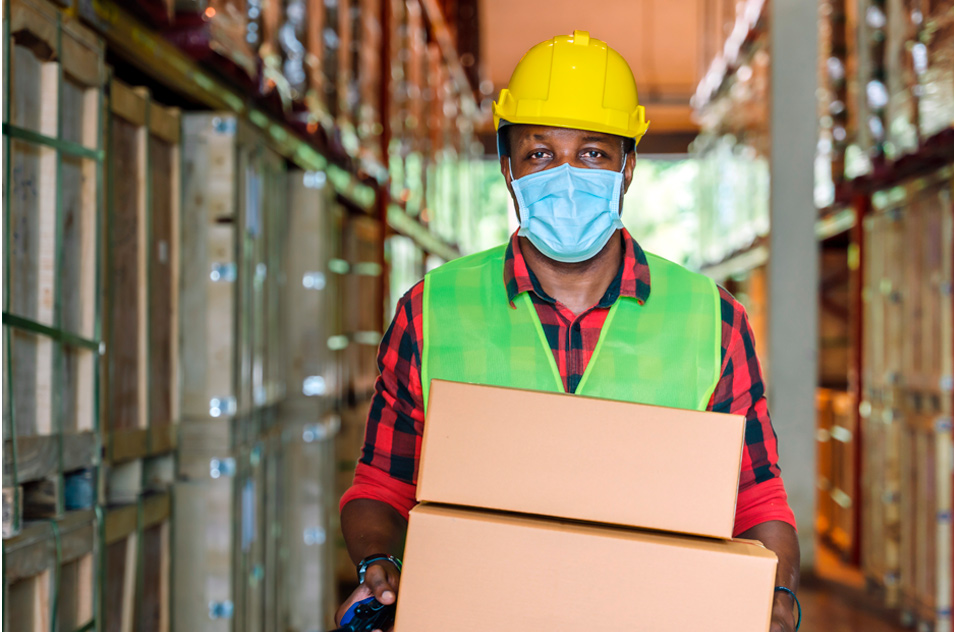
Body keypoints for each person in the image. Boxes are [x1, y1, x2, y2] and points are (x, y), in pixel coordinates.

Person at [336, 30, 800, 632]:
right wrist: (378, 560)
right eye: (540, 154)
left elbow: (758, 499)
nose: (567, 176)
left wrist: (777, 595)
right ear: (508, 170)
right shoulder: (432, 311)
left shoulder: (712, 320)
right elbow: (382, 485)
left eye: (593, 154)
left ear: (628, 167)